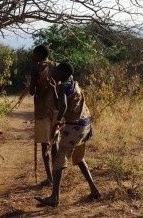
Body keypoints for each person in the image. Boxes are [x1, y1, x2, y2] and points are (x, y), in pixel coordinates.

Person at [35, 62, 100, 207]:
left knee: (59, 161)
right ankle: (94, 189)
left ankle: (54, 197)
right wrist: (53, 89)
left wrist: (58, 122)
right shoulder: (73, 83)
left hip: (75, 127)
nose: (54, 71)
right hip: (85, 124)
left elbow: (62, 106)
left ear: (62, 73)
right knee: (79, 159)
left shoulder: (63, 86)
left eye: (57, 70)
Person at [29, 44, 57, 186]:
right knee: (55, 144)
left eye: (34, 53)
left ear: (39, 55)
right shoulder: (56, 66)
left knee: (45, 146)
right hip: (57, 111)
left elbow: (32, 91)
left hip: (42, 111)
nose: (32, 56)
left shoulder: (36, 68)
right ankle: (57, 177)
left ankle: (50, 178)